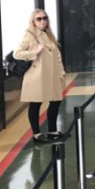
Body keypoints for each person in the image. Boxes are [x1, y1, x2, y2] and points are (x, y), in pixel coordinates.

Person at [14, 10, 66, 144]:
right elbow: (17, 54)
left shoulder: (49, 35)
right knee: (36, 103)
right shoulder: (29, 35)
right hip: (36, 76)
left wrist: (61, 72)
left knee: (56, 100)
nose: (42, 21)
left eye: (45, 18)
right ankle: (37, 134)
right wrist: (35, 52)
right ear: (33, 21)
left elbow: (57, 56)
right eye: (39, 19)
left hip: (52, 75)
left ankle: (52, 131)